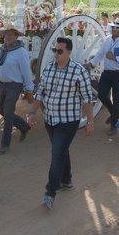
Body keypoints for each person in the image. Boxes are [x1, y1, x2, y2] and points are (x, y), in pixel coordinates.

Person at [28, 37, 97, 210]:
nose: (56, 54)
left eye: (60, 51)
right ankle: (66, 179)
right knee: (61, 150)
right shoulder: (49, 68)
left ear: (68, 53)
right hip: (50, 119)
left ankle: (50, 193)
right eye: (55, 50)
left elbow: (87, 98)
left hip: (68, 122)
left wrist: (90, 120)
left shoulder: (78, 71)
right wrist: (32, 112)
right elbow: (40, 93)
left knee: (56, 155)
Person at [0, 25, 33, 155]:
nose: (8, 37)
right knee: (1, 110)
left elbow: (26, 72)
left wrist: (29, 89)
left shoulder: (21, 52)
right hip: (3, 85)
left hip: (14, 85)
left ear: (16, 36)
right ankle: (24, 126)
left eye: (11, 34)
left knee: (8, 113)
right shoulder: (2, 49)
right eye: (6, 34)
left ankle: (5, 144)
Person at [97, 21, 119, 136]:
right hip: (107, 72)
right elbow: (100, 54)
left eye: (117, 28)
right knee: (101, 94)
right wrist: (90, 63)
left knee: (116, 97)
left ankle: (114, 125)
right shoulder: (108, 39)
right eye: (113, 27)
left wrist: (115, 58)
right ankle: (114, 113)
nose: (114, 29)